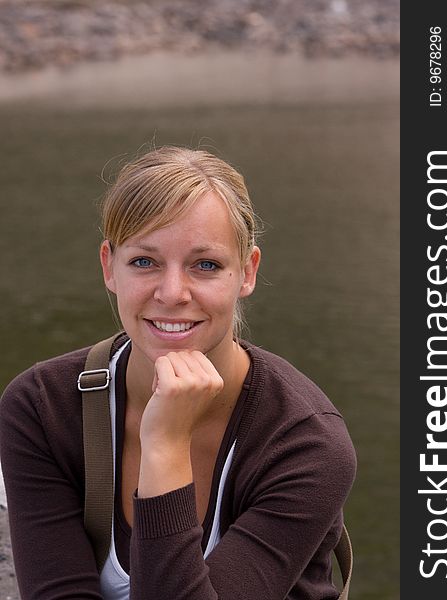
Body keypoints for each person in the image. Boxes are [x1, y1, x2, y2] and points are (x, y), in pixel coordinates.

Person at [0, 146, 356, 599]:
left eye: (205, 265)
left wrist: (165, 445)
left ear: (246, 273)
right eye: (144, 262)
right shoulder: (42, 407)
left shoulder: (305, 443)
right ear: (109, 266)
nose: (172, 293)